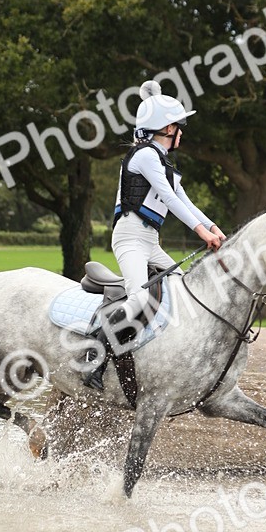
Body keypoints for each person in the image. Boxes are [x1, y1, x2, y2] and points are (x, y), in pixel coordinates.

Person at [84, 80, 226, 390]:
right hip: (130, 238)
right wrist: (202, 233)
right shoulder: (145, 157)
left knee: (182, 289)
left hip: (150, 242)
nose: (181, 132)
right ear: (164, 129)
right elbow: (171, 201)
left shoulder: (164, 164)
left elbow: (187, 202)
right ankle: (92, 356)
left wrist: (215, 229)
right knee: (138, 298)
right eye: (177, 126)